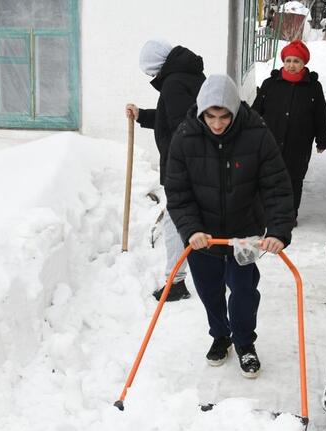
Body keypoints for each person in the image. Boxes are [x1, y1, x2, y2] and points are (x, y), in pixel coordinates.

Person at [165, 74, 294, 377]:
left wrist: (277, 230)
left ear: (235, 111)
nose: (218, 123)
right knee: (210, 291)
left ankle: (245, 343)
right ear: (201, 111)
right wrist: (191, 229)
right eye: (210, 116)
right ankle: (221, 336)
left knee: (244, 291)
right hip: (202, 237)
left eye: (225, 116)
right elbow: (178, 193)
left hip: (244, 235)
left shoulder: (257, 135)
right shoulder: (185, 137)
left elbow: (276, 187)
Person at [125, 38, 205, 302]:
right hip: (197, 163)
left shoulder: (172, 84)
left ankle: (176, 281)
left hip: (182, 166)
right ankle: (197, 275)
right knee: (194, 217)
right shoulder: (189, 77)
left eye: (150, 71)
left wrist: (179, 168)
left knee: (175, 220)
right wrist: (142, 115)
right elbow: (170, 118)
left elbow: (183, 128)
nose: (151, 76)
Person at [251, 40, 326, 224]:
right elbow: (255, 112)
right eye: (288, 60)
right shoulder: (270, 84)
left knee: (293, 179)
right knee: (267, 177)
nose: (291, 65)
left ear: (304, 63)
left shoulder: (313, 87)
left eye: (296, 61)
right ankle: (265, 213)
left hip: (299, 144)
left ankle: (289, 215)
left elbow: (321, 114)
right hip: (270, 141)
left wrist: (322, 139)